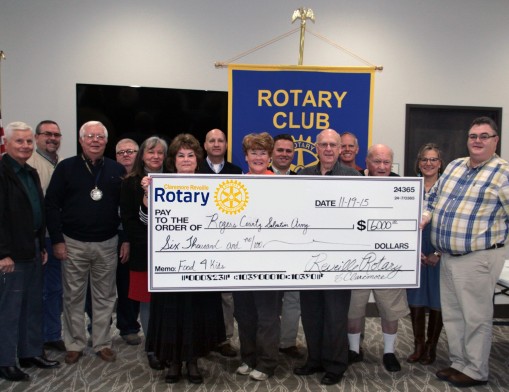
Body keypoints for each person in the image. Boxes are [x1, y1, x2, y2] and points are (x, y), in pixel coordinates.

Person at [422, 117, 509, 388]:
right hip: (447, 256)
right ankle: (459, 362)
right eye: (473, 136)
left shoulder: (503, 172)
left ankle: (476, 369)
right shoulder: (456, 166)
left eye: (484, 136)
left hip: (479, 257)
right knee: (454, 314)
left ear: (495, 140)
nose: (478, 141)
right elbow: (434, 198)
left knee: (475, 316)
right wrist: (426, 216)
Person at [145, 133, 226, 385]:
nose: (186, 159)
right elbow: (146, 222)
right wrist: (148, 197)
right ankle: (173, 362)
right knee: (172, 313)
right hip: (170, 264)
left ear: (197, 159)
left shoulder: (212, 185)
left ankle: (192, 361)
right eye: (181, 155)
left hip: (201, 262)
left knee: (196, 313)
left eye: (191, 155)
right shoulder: (160, 184)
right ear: (173, 160)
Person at [45, 121, 126, 365]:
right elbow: (51, 205)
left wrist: (126, 240)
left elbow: (127, 209)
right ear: (81, 140)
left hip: (107, 243)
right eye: (90, 136)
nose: (95, 140)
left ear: (106, 141)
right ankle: (75, 344)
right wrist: (57, 240)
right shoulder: (66, 167)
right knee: (73, 297)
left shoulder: (116, 169)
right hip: (73, 243)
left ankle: (101, 343)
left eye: (100, 136)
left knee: (105, 297)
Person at [294, 129, 359, 386]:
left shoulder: (353, 176)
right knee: (311, 312)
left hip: (339, 259)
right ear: (316, 148)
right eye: (324, 145)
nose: (330, 149)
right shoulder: (303, 175)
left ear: (340, 149)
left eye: (334, 145)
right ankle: (315, 359)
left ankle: (335, 364)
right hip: (308, 257)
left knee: (335, 314)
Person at [0, 121, 59, 382]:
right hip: (10, 254)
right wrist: (2, 253)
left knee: (32, 305)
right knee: (10, 309)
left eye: (27, 142)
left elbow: (37, 208)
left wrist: (39, 243)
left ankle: (29, 352)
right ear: (7, 143)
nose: (25, 146)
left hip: (34, 248)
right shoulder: (2, 172)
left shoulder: (30, 171)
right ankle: (5, 361)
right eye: (19, 141)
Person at [347, 144, 409, 373]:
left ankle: (389, 352)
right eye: (377, 161)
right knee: (354, 309)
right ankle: (354, 349)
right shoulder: (354, 183)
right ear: (367, 162)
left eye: (386, 162)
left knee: (390, 309)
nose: (382, 167)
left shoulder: (402, 188)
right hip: (357, 260)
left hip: (389, 259)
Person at [234, 132, 281, 382]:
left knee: (267, 315)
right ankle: (248, 357)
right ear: (246, 156)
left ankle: (267, 362)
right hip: (241, 260)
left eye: (263, 153)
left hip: (269, 260)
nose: (259, 157)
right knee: (245, 313)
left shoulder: (279, 184)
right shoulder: (236, 184)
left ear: (270, 156)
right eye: (254, 152)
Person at [120, 136, 167, 370]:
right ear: (142, 156)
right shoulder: (130, 183)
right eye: (151, 152)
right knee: (147, 303)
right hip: (144, 251)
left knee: (168, 302)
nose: (155, 156)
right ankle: (151, 347)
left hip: (172, 253)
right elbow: (129, 221)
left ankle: (167, 344)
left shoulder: (175, 179)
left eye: (159, 152)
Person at [198, 128, 241, 358]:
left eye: (220, 140)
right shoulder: (195, 169)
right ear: (204, 145)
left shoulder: (236, 171)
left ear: (226, 145)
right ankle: (202, 338)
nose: (216, 144)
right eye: (211, 140)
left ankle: (224, 338)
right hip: (200, 240)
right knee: (203, 293)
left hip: (228, 242)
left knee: (226, 294)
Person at [26, 120, 66, 353]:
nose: (52, 138)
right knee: (37, 292)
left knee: (55, 290)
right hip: (39, 239)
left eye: (56, 134)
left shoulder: (59, 163)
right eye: (47, 134)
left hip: (57, 237)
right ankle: (35, 340)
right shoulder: (31, 164)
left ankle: (51, 334)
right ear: (37, 137)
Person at [406, 143, 443, 365]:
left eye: (433, 159)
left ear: (440, 164)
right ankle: (418, 345)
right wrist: (412, 249)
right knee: (416, 299)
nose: (428, 163)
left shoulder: (448, 189)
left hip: (440, 248)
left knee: (438, 299)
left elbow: (452, 223)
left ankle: (432, 347)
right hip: (415, 248)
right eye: (424, 159)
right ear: (418, 164)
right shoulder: (411, 187)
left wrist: (438, 252)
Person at [268, 134, 302, 359]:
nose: (284, 154)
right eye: (280, 150)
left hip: (293, 251)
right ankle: (268, 342)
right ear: (272, 152)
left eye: (288, 151)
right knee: (268, 301)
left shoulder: (302, 180)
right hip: (266, 251)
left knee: (293, 299)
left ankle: (287, 342)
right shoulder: (259, 177)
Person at [114, 138, 141, 346]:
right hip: (110, 237)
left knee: (132, 283)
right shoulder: (109, 175)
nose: (126, 155)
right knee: (121, 285)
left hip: (134, 238)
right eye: (121, 152)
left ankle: (131, 325)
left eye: (130, 151)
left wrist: (128, 238)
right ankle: (126, 326)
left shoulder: (144, 178)